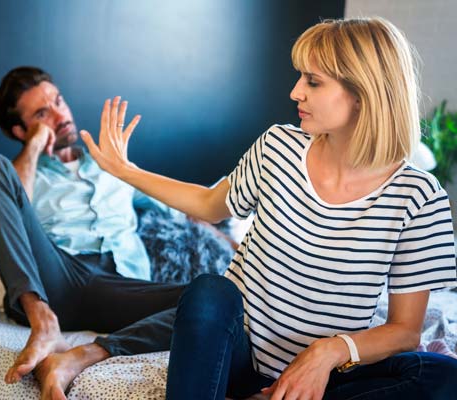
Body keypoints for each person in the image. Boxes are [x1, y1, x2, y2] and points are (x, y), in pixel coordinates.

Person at [81, 17, 457, 399]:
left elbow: (405, 330)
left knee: (444, 375)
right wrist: (125, 171)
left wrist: (328, 352)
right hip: (241, 362)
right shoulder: (278, 147)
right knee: (209, 292)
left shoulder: (418, 195)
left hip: (324, 379)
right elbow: (210, 205)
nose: (296, 92)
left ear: (362, 93)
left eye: (313, 81)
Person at [0, 66, 216, 399]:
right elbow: (10, 202)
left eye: (58, 101)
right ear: (19, 129)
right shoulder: (24, 171)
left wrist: (226, 240)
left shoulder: (111, 166)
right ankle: (43, 323)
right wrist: (35, 145)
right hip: (57, 280)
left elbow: (184, 209)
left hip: (120, 287)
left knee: (217, 300)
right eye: (42, 113)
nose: (59, 115)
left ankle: (84, 354)